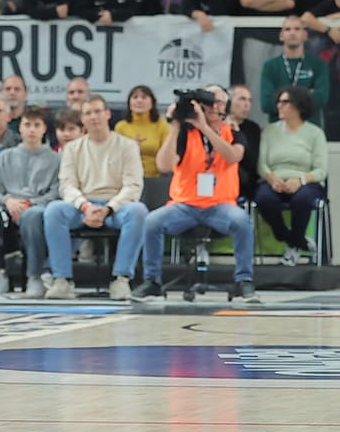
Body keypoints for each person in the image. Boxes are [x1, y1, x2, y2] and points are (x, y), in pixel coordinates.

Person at [136, 92, 253, 302]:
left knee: (242, 220)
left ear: (224, 108)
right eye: (207, 104)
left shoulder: (233, 133)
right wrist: (175, 126)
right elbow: (163, 165)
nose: (211, 108)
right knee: (152, 221)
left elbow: (233, 156)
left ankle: (244, 280)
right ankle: (152, 281)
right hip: (184, 205)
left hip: (220, 205)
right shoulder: (185, 134)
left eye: (216, 103)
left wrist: (205, 128)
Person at [44, 96, 145, 300]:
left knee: (138, 211)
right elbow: (67, 185)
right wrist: (85, 206)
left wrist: (109, 208)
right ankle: (62, 280)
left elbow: (133, 186)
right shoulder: (72, 148)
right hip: (83, 206)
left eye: (98, 111)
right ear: (83, 119)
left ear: (107, 114)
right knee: (54, 210)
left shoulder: (127, 146)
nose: (93, 117)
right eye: (88, 113)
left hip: (115, 207)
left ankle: (121, 279)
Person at [0, 107, 62, 297]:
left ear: (44, 128)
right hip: (6, 205)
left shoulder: (56, 160)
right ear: (20, 128)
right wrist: (9, 201)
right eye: (27, 125)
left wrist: (30, 203)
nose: (31, 130)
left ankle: (34, 276)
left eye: (36, 125)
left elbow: (56, 192)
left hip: (37, 206)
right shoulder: (5, 156)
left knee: (32, 216)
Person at [256, 87, 330, 265]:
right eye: (278, 102)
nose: (279, 106)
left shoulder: (315, 133)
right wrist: (271, 179)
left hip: (305, 182)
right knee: (263, 198)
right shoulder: (269, 131)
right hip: (275, 180)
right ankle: (293, 238)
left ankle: (294, 245)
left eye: (285, 102)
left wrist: (300, 181)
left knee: (302, 200)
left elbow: (321, 170)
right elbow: (261, 164)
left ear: (298, 106)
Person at [259, 16, 328, 126]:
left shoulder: (319, 64)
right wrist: (306, 95)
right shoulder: (270, 66)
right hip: (278, 129)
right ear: (281, 36)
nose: (292, 33)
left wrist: (281, 99)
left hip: (309, 128)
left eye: (297, 29)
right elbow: (266, 104)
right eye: (288, 29)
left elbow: (321, 99)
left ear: (305, 35)